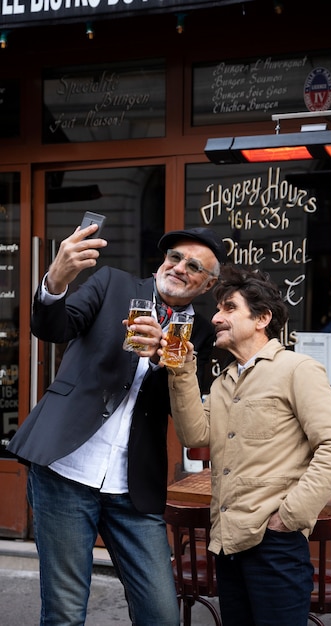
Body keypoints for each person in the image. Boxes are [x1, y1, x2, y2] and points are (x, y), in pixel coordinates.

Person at [7, 223, 227, 626]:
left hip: (134, 486)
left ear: (208, 284)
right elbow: (53, 327)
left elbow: (185, 402)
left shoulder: (205, 329)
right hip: (65, 470)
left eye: (193, 266)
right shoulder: (113, 284)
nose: (179, 268)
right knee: (65, 612)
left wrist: (166, 354)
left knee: (161, 613)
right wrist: (56, 280)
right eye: (174, 257)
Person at [163, 265, 331, 626]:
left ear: (262, 318)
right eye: (218, 309)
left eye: (229, 308)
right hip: (226, 543)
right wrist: (182, 371)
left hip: (275, 545)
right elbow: (194, 436)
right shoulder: (223, 382)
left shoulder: (298, 369)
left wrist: (291, 516)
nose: (217, 317)